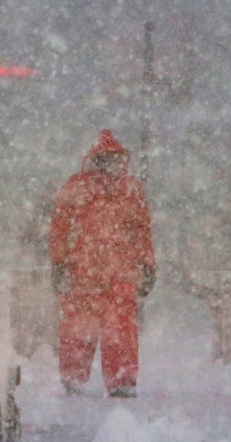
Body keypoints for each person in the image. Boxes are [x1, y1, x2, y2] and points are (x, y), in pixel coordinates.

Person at [49, 130, 155, 397]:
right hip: (87, 271)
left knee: (117, 329)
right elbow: (59, 228)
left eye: (112, 159)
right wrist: (59, 262)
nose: (108, 165)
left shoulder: (128, 189)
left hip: (114, 272)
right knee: (80, 328)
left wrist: (147, 263)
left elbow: (142, 229)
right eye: (104, 159)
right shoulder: (78, 187)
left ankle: (119, 381)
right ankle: (76, 378)